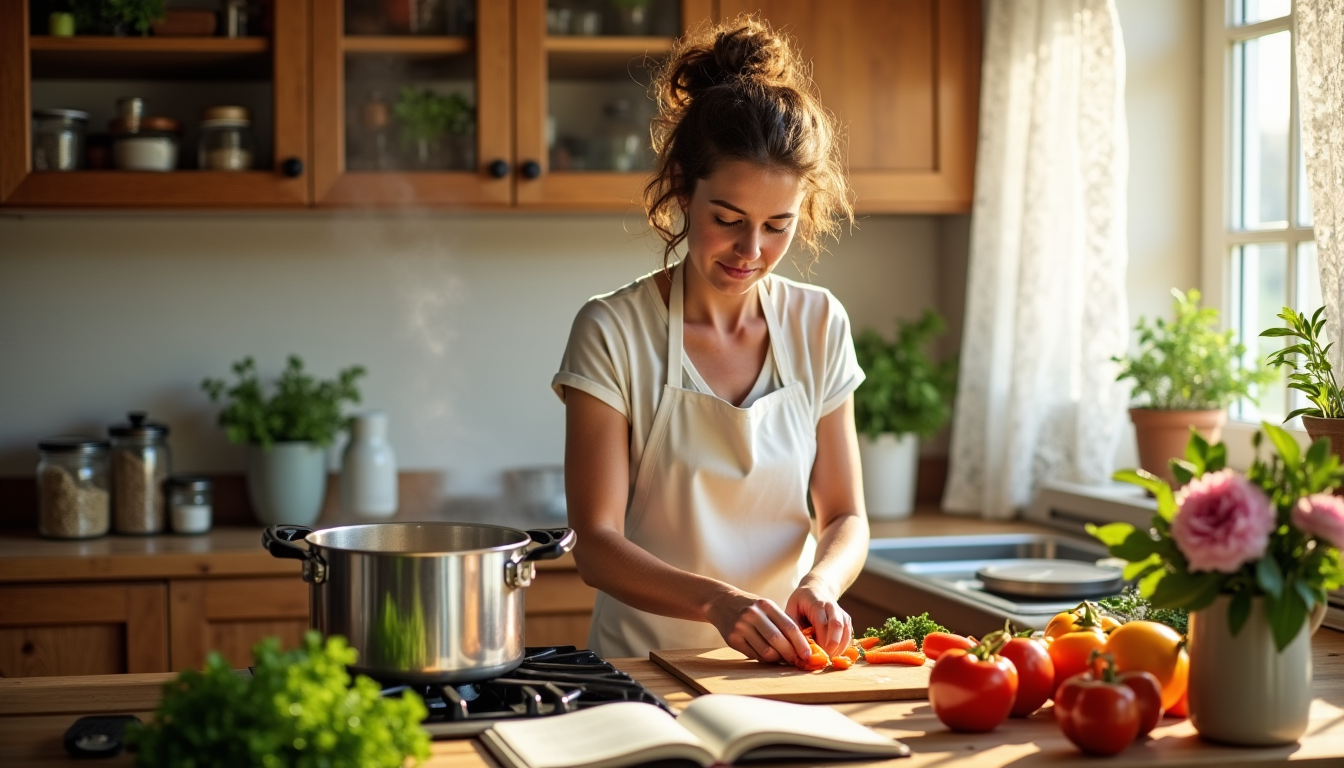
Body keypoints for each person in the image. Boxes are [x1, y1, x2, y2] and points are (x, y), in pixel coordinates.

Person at [551, 16, 868, 665]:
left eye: (777, 226)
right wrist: (718, 603)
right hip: (644, 670)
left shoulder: (818, 324)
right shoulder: (612, 331)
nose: (751, 251)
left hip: (781, 669)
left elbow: (844, 515)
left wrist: (821, 583)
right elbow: (596, 542)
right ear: (681, 193)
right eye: (728, 219)